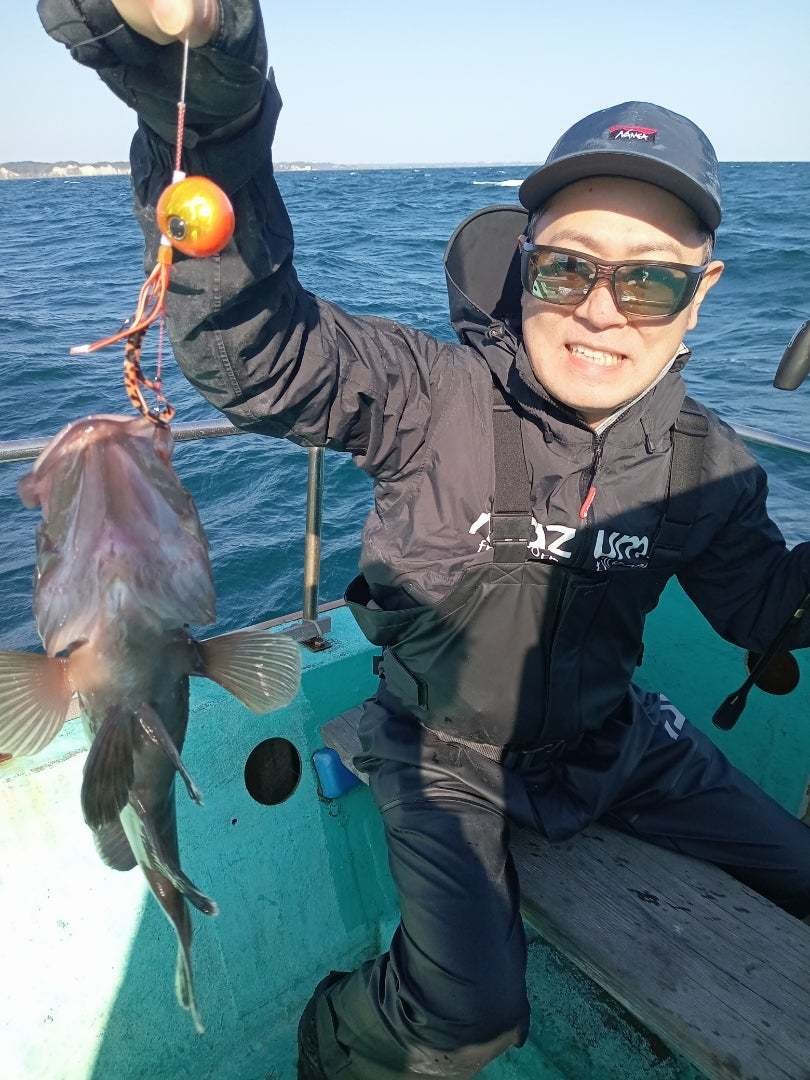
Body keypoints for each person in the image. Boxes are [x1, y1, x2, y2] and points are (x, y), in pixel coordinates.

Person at [40, 3, 810, 1078]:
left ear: (700, 295)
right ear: (527, 266)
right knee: (468, 1018)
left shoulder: (707, 463)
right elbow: (258, 356)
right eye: (568, 270)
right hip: (443, 749)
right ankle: (330, 1041)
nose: (601, 312)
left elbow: (770, 610)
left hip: (620, 742)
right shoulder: (427, 395)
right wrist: (214, 99)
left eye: (649, 280)